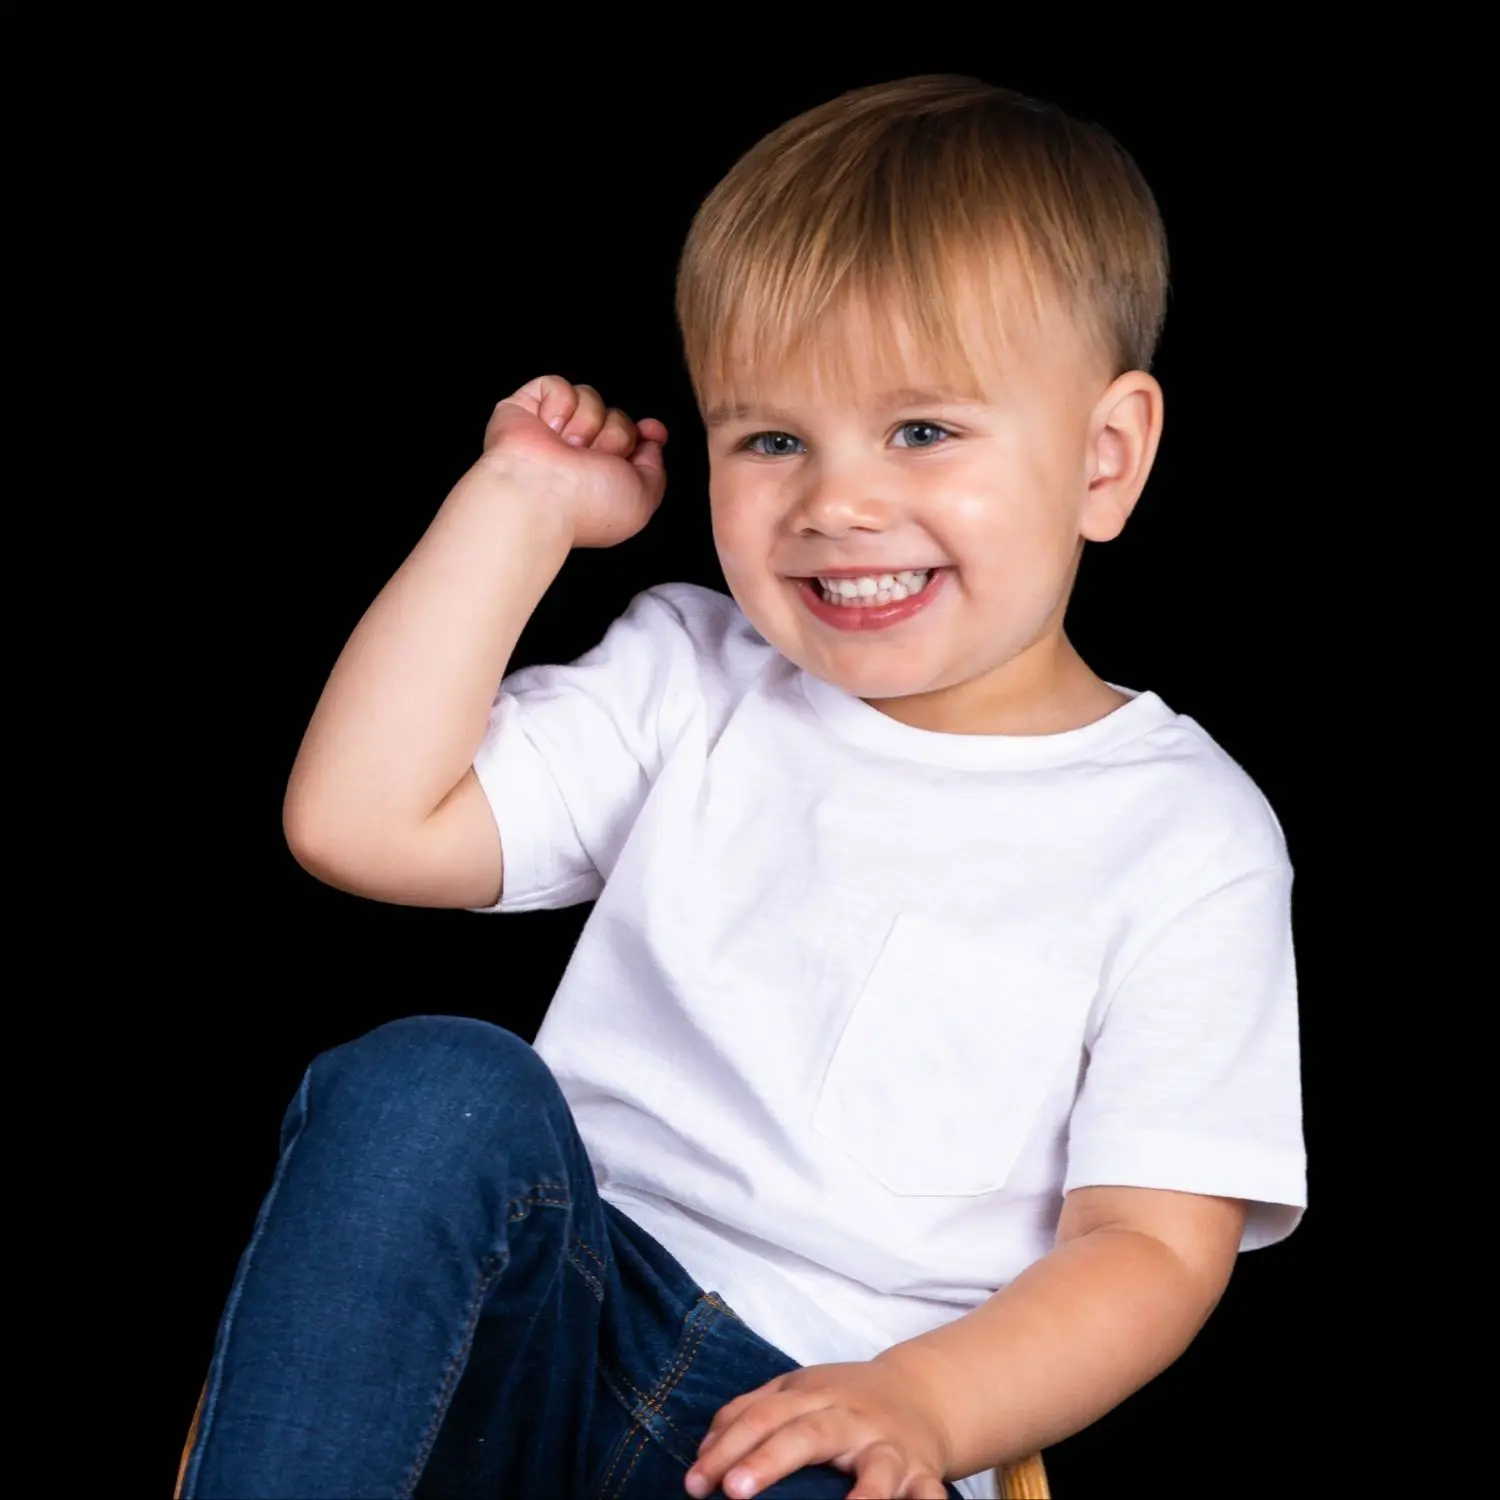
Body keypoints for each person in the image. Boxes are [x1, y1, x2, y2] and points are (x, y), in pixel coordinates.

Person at [179, 75, 1305, 1500]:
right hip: (555, 1326)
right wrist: (518, 511)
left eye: (920, 432)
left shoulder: (1185, 836)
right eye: (772, 438)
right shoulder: (695, 678)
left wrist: (926, 1402)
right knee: (433, 1085)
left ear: (1105, 455)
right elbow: (357, 825)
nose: (834, 502)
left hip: (842, 1410)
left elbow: (1150, 1245)